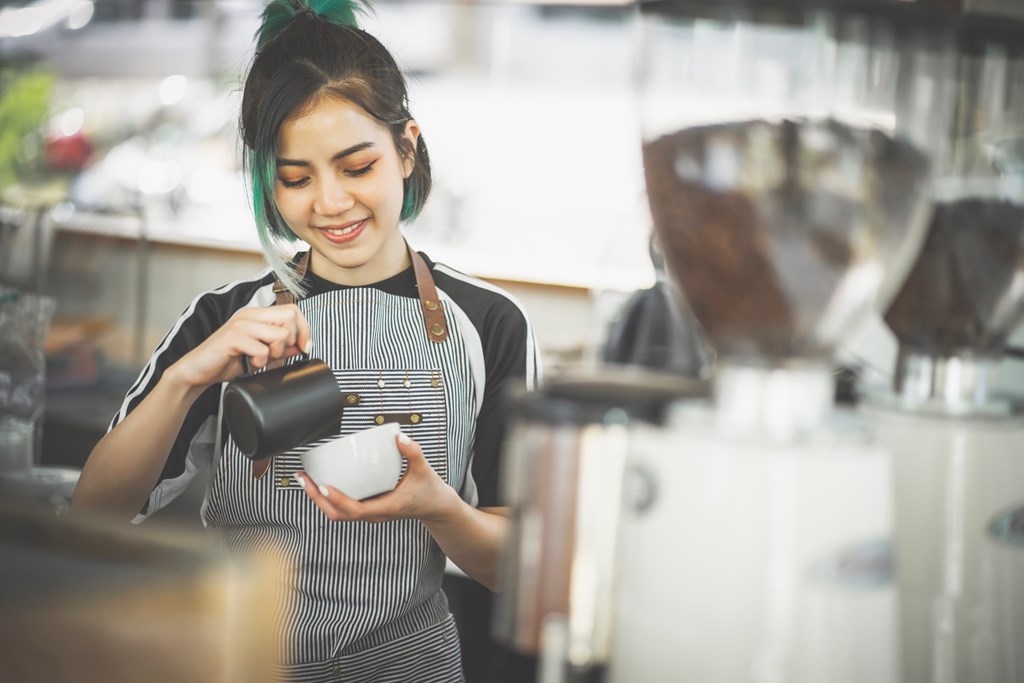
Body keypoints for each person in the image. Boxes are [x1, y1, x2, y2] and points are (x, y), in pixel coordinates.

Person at [71, 1, 542, 680]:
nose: (329, 203)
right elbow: (96, 511)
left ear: (406, 149)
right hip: (242, 657)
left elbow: (520, 567)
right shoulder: (224, 320)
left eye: (356, 168)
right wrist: (187, 380)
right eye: (296, 178)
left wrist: (441, 508)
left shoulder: (491, 323)